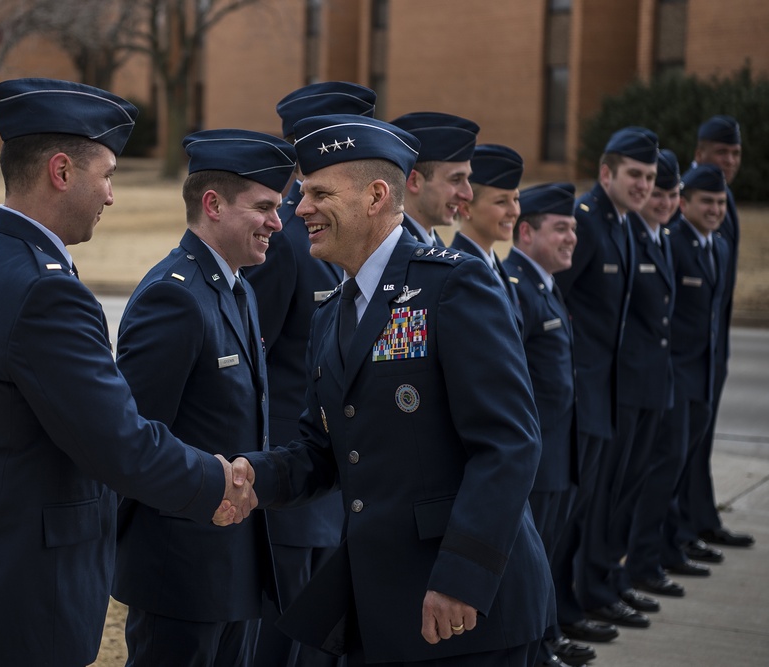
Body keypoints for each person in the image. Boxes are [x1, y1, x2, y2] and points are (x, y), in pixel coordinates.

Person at [0, 78, 255, 667]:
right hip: (28, 582)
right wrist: (213, 483)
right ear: (62, 171)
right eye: (109, 175)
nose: (111, 196)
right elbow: (118, 439)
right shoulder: (44, 289)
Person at [242, 113, 553, 666]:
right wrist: (245, 477)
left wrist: (462, 577)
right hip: (383, 606)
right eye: (302, 192)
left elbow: (509, 444)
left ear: (376, 196)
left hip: (464, 609)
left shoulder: (454, 284)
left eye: (318, 193)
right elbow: (321, 451)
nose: (299, 207)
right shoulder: (331, 314)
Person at [112, 128, 296, 667]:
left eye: (279, 208)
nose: (277, 223)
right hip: (181, 572)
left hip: (233, 564)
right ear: (212, 205)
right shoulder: (174, 295)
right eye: (263, 207)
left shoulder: (237, 288)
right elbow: (136, 442)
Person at [248, 80, 376, 667]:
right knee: (286, 639)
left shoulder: (353, 238)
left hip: (342, 481)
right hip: (297, 478)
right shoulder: (287, 241)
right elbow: (257, 356)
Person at [552, 126, 658, 641]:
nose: (643, 185)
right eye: (634, 174)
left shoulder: (623, 223)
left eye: (650, 177)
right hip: (581, 392)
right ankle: (562, 613)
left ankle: (588, 595)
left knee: (595, 504)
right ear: (606, 173)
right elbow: (555, 297)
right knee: (570, 513)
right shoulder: (588, 222)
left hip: (608, 392)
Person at [626, 164, 731, 591]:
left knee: (680, 470)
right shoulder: (673, 242)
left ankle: (670, 548)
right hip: (674, 377)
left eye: (721, 203)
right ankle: (647, 561)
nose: (715, 210)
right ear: (687, 203)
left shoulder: (718, 247)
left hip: (702, 377)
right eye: (707, 201)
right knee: (662, 473)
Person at [504, 183, 595, 667]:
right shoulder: (516, 287)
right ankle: (536, 650)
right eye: (561, 228)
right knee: (530, 563)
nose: (571, 238)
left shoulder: (544, 283)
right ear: (526, 232)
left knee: (550, 554)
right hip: (536, 454)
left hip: (559, 450)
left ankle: (548, 639)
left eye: (573, 229)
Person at [682, 115, 755, 549]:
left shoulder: (725, 203)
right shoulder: (693, 201)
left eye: (735, 153)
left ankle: (701, 520)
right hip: (689, 353)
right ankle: (686, 529)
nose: (729, 160)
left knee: (701, 442)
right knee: (680, 448)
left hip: (715, 347)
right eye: (721, 152)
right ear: (700, 153)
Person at [450, 143, 525, 330]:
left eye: (516, 199)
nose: (514, 211)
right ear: (465, 208)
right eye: (501, 202)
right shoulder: (459, 273)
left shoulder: (493, 265)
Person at [390, 111, 480, 246]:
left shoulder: (433, 244)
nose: (468, 195)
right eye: (456, 180)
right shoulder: (390, 247)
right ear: (414, 181)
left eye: (468, 179)